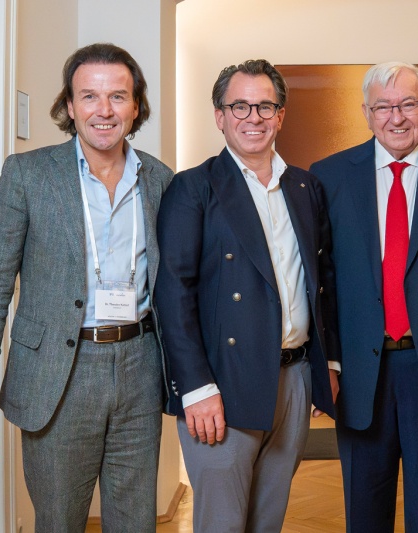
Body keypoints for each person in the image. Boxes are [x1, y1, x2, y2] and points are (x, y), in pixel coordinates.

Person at [0, 43, 174, 531]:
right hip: (57, 371)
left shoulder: (161, 180)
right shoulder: (28, 175)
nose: (104, 110)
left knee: (137, 522)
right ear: (71, 106)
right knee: (58, 521)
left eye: (118, 96)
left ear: (135, 105)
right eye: (90, 97)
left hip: (141, 366)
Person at [155, 59, 339, 532]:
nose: (252, 117)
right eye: (239, 106)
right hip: (222, 384)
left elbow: (323, 283)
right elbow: (173, 295)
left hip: (293, 379)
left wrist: (328, 365)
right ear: (219, 115)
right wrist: (195, 389)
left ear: (280, 115)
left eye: (264, 105)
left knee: (267, 521)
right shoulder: (193, 188)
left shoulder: (305, 186)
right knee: (223, 523)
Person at [309, 62, 418, 533]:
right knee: (364, 512)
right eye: (384, 106)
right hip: (361, 374)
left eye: (408, 103)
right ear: (367, 113)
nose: (397, 117)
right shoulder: (327, 177)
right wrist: (325, 364)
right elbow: (317, 281)